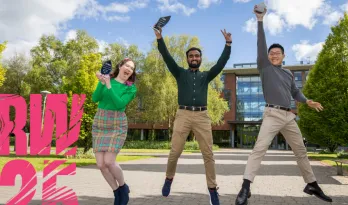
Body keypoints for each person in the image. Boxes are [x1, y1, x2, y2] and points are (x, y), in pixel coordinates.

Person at [235, 5, 332, 205]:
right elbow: (261, 45)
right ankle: (245, 187)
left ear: (284, 56)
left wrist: (307, 101)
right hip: (272, 114)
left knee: (301, 150)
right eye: (271, 53)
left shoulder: (288, 74)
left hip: (289, 117)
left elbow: (295, 92)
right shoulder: (265, 67)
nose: (274, 54)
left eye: (277, 53)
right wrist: (260, 21)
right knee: (259, 149)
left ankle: (311, 184)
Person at [153, 25, 232, 205]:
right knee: (175, 152)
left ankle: (212, 189)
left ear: (200, 59)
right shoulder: (180, 73)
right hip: (183, 115)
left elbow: (221, 63)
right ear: (188, 59)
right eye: (191, 56)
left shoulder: (206, 76)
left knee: (208, 154)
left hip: (202, 116)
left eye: (197, 56)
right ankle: (168, 178)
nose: (194, 58)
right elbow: (166, 57)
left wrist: (228, 44)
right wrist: (159, 38)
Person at [91, 58, 137, 205]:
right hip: (100, 120)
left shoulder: (130, 88)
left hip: (117, 123)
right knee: (100, 164)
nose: (129, 69)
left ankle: (123, 187)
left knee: (109, 162)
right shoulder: (106, 80)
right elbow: (95, 98)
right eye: (127, 65)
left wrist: (109, 86)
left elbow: (119, 104)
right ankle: (117, 192)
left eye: (131, 68)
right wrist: (102, 83)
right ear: (120, 66)